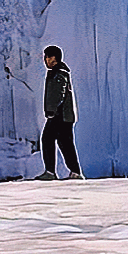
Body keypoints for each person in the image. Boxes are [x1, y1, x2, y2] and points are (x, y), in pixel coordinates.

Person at [37, 44, 81, 181]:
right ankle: (75, 172)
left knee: (47, 139)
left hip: (59, 115)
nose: (45, 60)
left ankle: (50, 172)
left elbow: (59, 91)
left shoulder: (59, 72)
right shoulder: (60, 71)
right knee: (65, 143)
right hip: (64, 115)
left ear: (54, 58)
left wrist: (52, 109)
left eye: (47, 56)